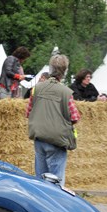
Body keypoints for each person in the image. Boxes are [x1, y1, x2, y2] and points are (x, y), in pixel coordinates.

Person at [26, 54, 80, 186]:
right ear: (65, 71)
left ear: (50, 69)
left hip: (39, 138)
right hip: (57, 140)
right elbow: (75, 117)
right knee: (56, 182)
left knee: (40, 181)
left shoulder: (36, 89)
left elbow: (28, 112)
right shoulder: (66, 92)